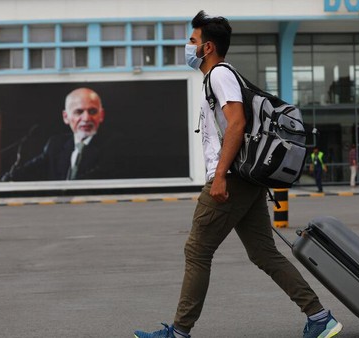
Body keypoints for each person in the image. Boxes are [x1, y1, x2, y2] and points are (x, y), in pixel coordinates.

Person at [133, 11, 343, 338]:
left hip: (231, 178)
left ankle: (179, 332)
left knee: (197, 250)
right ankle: (319, 317)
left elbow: (237, 122)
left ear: (208, 47)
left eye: (192, 40)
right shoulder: (217, 76)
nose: (188, 46)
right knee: (263, 252)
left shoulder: (219, 74)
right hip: (244, 179)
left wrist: (219, 175)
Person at [1, 87, 127, 181]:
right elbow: (30, 170)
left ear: (101, 116)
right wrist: (5, 181)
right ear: (66, 117)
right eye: (79, 112)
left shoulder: (114, 144)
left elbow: (99, 176)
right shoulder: (56, 144)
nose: (86, 118)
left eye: (92, 111)